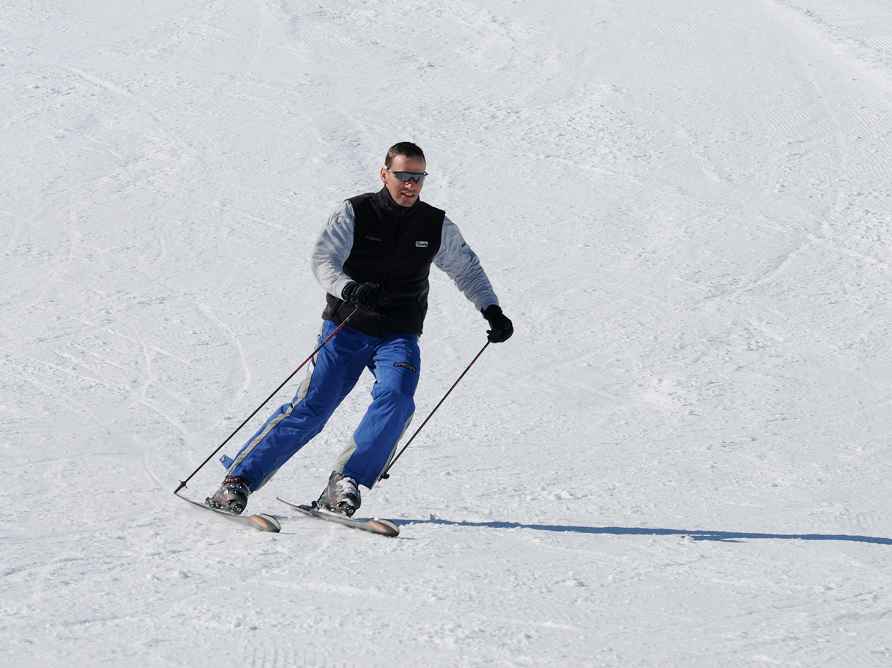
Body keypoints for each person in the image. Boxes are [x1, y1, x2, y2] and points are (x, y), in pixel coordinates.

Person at [206, 142, 513, 516]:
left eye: (418, 177)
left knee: (398, 398)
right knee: (313, 408)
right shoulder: (356, 212)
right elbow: (324, 260)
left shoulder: (434, 225)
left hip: (399, 333)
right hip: (346, 326)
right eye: (403, 175)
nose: (410, 185)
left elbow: (467, 270)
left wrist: (491, 309)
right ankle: (236, 482)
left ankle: (344, 483)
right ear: (385, 174)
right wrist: (349, 288)